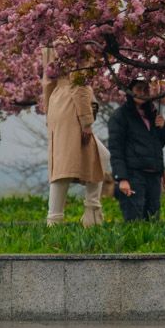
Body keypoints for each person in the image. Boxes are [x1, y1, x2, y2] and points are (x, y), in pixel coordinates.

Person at [42, 47, 108, 227]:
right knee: (64, 167)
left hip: (58, 101)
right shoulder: (79, 41)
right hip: (72, 104)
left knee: (97, 156)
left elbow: (47, 81)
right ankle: (68, 218)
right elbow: (80, 84)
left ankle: (87, 212)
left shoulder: (52, 43)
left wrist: (49, 110)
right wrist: (86, 121)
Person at [107, 79, 165, 221]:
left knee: (153, 220)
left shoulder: (152, 114)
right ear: (129, 90)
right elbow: (116, 149)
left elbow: (158, 144)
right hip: (133, 176)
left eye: (146, 89)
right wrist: (122, 178)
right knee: (134, 221)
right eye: (138, 89)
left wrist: (163, 128)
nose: (142, 93)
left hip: (153, 175)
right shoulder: (120, 116)